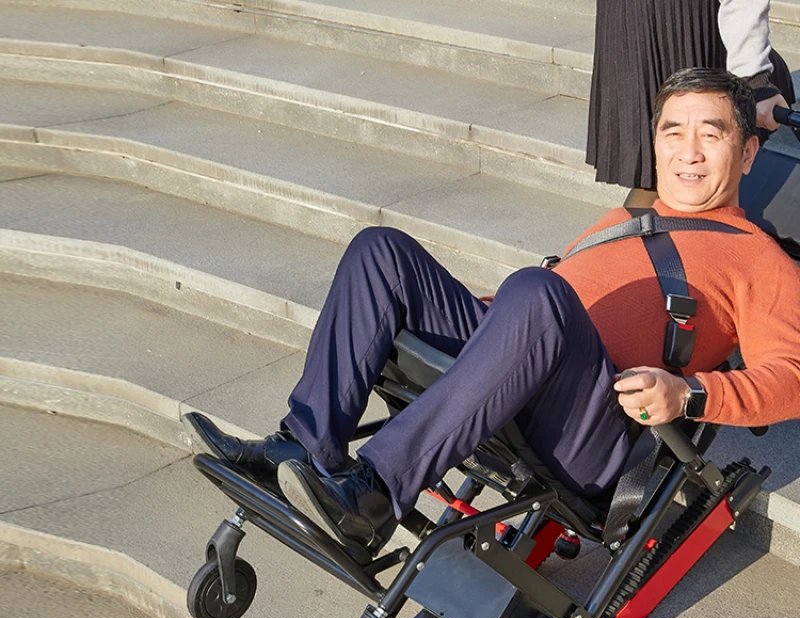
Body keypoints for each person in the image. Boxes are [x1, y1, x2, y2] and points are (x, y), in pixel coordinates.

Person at [185, 69, 800, 559]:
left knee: (536, 292)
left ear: (747, 152)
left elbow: (792, 379)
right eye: (673, 132)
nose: (688, 153)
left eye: (711, 134)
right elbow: (559, 302)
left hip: (594, 430)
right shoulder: (625, 220)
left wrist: (687, 394)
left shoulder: (761, 259)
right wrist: (497, 319)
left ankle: (373, 494)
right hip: (528, 360)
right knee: (383, 253)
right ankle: (302, 447)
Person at [588, 0, 796, 202]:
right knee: (680, 161)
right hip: (679, 19)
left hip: (629, 18)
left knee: (672, 163)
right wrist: (754, 77)